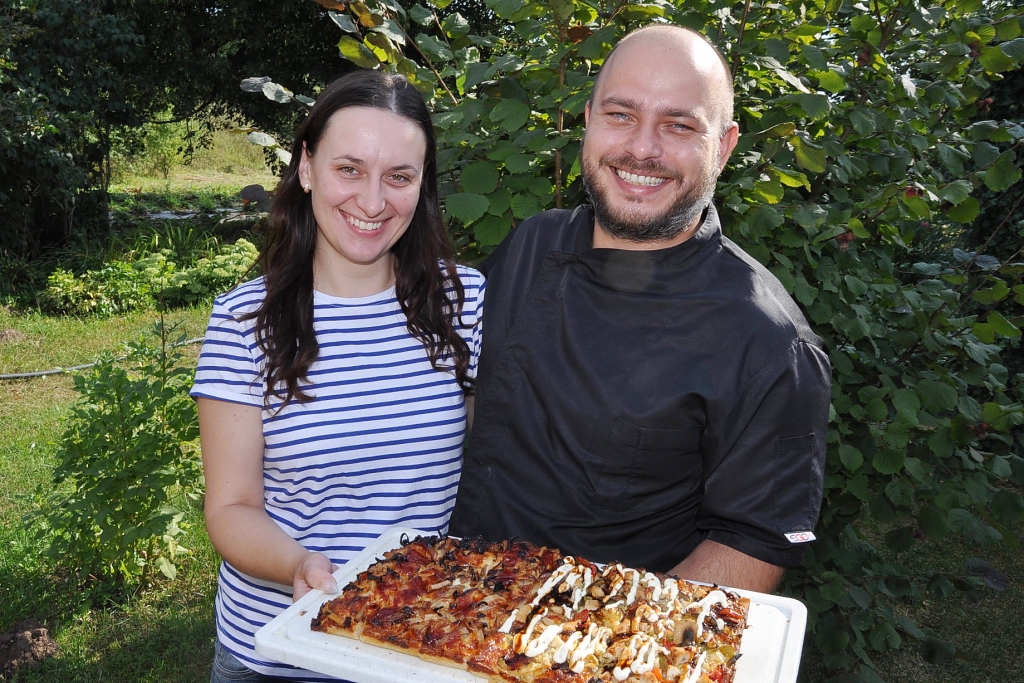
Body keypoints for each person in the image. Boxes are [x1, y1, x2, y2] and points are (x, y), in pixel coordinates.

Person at [448, 25, 831, 594]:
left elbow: (753, 540)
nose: (643, 149)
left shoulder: (768, 342)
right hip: (436, 600)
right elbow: (470, 389)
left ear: (723, 148)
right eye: (620, 115)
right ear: (587, 122)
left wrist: (595, 641)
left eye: (679, 125)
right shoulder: (533, 243)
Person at [191, 70, 484, 682]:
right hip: (278, 652)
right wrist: (299, 563)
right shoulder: (244, 320)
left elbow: (489, 469)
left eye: (398, 177)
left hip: (421, 646)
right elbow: (232, 506)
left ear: (422, 185)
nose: (373, 201)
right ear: (306, 167)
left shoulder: (468, 303)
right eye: (349, 169)